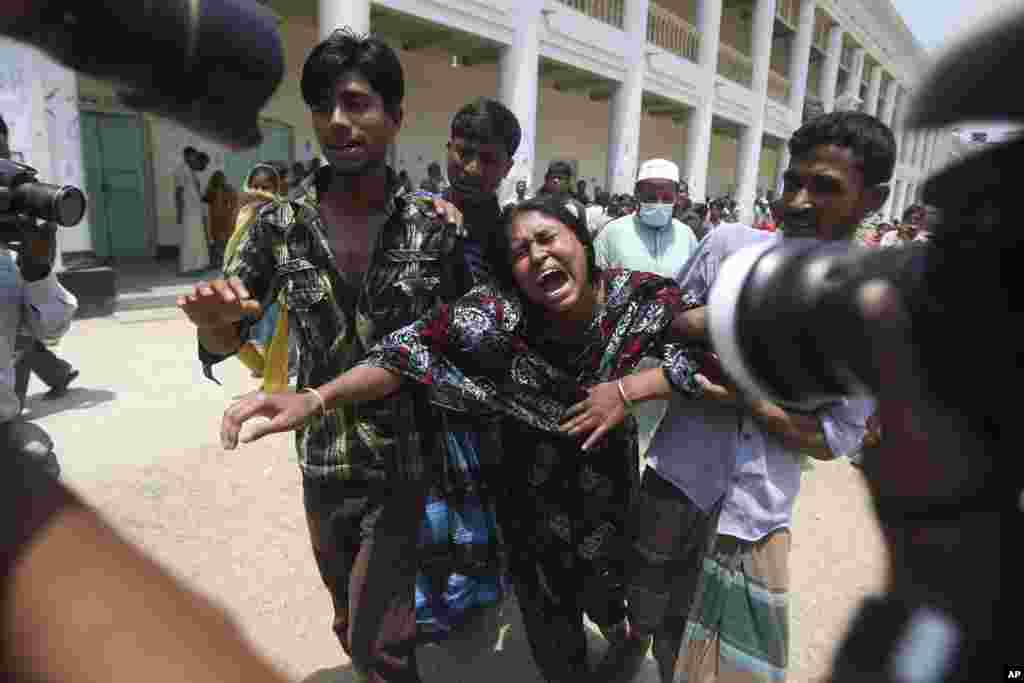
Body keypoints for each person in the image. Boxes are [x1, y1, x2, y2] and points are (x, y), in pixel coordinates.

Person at [218, 194, 706, 683]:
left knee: (612, 593)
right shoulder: (494, 315)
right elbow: (403, 354)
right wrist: (315, 399)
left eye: (547, 238)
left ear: (581, 240)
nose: (537, 256)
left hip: (607, 486)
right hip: (528, 493)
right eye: (519, 252)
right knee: (550, 625)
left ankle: (621, 642)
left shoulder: (634, 298)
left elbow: (706, 352)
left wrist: (626, 390)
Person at [178, 29, 470, 683]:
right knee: (351, 619)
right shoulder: (279, 223)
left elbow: (460, 337)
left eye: (357, 102)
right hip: (321, 459)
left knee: (376, 640)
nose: (337, 121)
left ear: (394, 116)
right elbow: (229, 335)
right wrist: (215, 326)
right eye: (322, 106)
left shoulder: (435, 225)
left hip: (403, 459)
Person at [672, 110, 886, 682]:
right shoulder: (725, 246)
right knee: (658, 626)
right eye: (792, 180)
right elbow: (661, 323)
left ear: (872, 200)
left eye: (824, 188)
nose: (795, 201)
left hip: (756, 515)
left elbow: (833, 440)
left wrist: (749, 397)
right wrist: (711, 321)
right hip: (677, 485)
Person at [0, 115, 79, 408]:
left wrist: (38, 272)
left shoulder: (9, 258)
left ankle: (57, 374)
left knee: (36, 452)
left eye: (3, 157)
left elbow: (51, 329)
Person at [174, 146, 210, 275]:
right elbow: (178, 192)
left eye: (195, 157)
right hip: (187, 210)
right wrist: (179, 211)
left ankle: (198, 265)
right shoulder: (181, 170)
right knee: (189, 239)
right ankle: (187, 268)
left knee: (198, 238)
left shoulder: (191, 171)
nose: (195, 159)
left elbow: (195, 191)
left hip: (195, 210)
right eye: (193, 156)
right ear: (187, 156)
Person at [203, 170, 238, 269]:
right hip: (215, 218)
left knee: (226, 240)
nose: (220, 179)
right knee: (217, 240)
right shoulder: (211, 190)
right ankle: (219, 261)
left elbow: (235, 199)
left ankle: (227, 261)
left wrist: (230, 210)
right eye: (218, 178)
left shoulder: (227, 188)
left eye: (221, 177)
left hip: (225, 218)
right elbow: (205, 199)